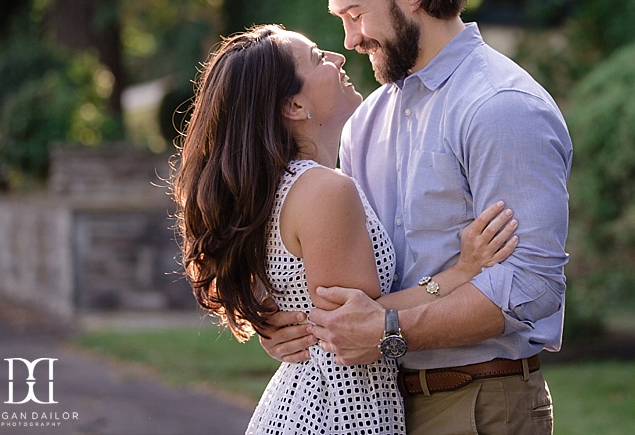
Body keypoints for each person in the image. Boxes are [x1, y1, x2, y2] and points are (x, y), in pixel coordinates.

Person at [260, 0, 573, 435]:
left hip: (480, 403)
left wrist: (387, 331)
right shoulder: (365, 122)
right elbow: (358, 282)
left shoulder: (500, 106)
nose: (350, 40)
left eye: (355, 14)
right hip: (382, 408)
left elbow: (529, 287)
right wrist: (289, 324)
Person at [170, 24, 519, 435]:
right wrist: (459, 273)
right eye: (318, 58)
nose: (337, 57)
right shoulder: (323, 190)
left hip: (312, 401)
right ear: (295, 106)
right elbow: (353, 325)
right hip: (340, 408)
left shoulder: (281, 186)